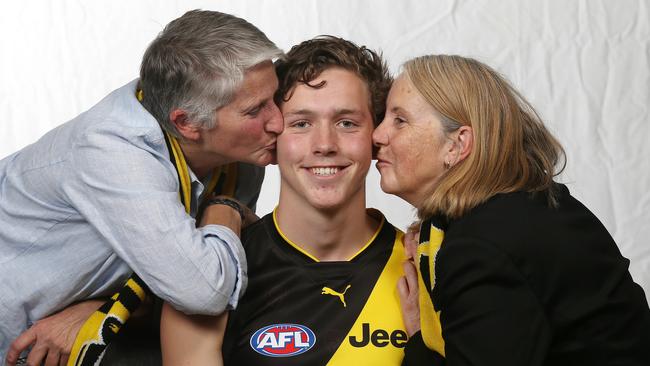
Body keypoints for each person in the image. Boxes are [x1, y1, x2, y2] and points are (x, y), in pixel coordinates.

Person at [1, 9, 284, 365]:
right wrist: (226, 208)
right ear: (187, 122)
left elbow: (195, 272)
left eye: (275, 97)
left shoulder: (239, 153)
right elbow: (205, 289)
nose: (278, 121)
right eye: (256, 109)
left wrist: (101, 310)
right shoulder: (112, 151)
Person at [372, 54, 650, 365]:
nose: (377, 135)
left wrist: (417, 335)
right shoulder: (521, 210)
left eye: (400, 120)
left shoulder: (486, 245)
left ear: (457, 144)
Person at [160, 36, 412, 365]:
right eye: (301, 124)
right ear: (272, 138)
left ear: (376, 138)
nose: (324, 144)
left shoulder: (422, 266)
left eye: (346, 123)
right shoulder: (211, 275)